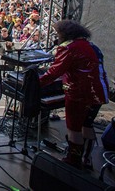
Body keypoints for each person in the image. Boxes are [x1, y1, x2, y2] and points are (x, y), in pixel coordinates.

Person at [40, 20, 109, 169]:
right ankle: (86, 159)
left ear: (66, 34)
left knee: (74, 127)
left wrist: (35, 83)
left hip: (80, 94)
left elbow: (54, 72)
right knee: (87, 124)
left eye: (58, 34)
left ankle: (73, 160)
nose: (57, 37)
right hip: (98, 93)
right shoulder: (92, 46)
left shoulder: (70, 48)